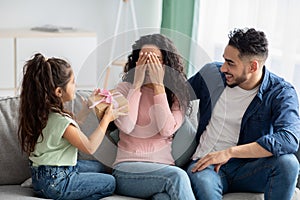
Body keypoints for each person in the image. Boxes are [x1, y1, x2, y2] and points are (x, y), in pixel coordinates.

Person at [186, 28, 300, 200]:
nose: (223, 68)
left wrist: (230, 152)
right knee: (205, 184)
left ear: (253, 66)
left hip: (249, 169)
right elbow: (176, 94)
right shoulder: (212, 74)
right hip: (206, 164)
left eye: (231, 63)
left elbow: (289, 139)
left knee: (289, 163)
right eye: (224, 60)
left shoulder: (280, 92)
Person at [18, 53, 120, 200]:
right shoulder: (61, 120)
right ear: (59, 92)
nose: (76, 86)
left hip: (43, 175)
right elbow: (89, 147)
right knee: (110, 182)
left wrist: (86, 109)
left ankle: (41, 184)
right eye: (72, 82)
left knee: (100, 168)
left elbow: (68, 130)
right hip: (56, 181)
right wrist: (106, 119)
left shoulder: (44, 113)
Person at [111, 33, 196, 200]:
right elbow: (126, 125)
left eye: (155, 60)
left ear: (166, 63)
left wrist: (158, 87)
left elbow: (166, 130)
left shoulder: (176, 96)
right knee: (178, 176)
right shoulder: (123, 89)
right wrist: (136, 85)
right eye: (144, 59)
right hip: (127, 169)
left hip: (162, 169)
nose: (149, 65)